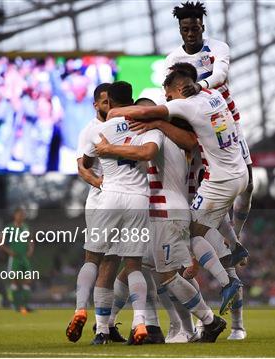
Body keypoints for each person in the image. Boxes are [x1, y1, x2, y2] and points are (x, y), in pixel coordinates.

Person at [107, 64, 246, 318]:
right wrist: (201, 85)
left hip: (192, 198)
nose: (167, 98)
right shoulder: (210, 96)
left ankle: (218, 300)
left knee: (174, 259)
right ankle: (232, 254)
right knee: (152, 267)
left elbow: (151, 116)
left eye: (168, 94)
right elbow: (215, 83)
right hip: (234, 175)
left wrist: (116, 114)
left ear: (178, 88)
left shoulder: (177, 118)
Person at [96, 98, 227, 343]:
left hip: (165, 214)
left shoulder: (156, 134)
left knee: (168, 276)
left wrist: (108, 149)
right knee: (133, 269)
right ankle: (109, 322)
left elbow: (144, 153)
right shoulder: (175, 138)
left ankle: (209, 321)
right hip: (166, 213)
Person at [67, 81, 162, 345]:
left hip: (108, 197)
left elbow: (85, 164)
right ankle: (140, 322)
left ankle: (81, 310)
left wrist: (106, 151)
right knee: (133, 266)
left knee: (93, 259)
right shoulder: (146, 127)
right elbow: (148, 153)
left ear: (111, 103)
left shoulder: (100, 131)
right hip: (138, 199)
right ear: (131, 100)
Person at [166, 1, 253, 266]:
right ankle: (227, 248)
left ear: (202, 26)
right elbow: (170, 92)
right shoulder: (172, 59)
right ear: (180, 30)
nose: (190, 33)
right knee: (209, 184)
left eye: (194, 28)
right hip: (199, 129)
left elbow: (221, 74)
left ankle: (235, 236)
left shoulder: (217, 47)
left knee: (248, 185)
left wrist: (199, 85)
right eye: (185, 29)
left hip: (226, 122)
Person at [67, 82, 126, 344]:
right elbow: (83, 167)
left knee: (108, 261)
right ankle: (96, 320)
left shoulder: (122, 124)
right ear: (95, 105)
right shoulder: (90, 131)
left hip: (120, 201)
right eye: (104, 101)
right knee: (102, 259)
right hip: (102, 200)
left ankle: (101, 321)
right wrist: (99, 182)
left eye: (111, 100)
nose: (108, 105)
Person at [0, 207, 34, 314]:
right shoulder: (9, 227)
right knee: (15, 282)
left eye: (22, 214)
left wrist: (31, 249)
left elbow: (31, 239)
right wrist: (9, 251)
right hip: (14, 258)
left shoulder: (25, 227)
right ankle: (15, 306)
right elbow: (0, 241)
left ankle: (25, 305)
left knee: (27, 282)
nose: (21, 216)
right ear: (15, 215)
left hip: (24, 258)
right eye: (19, 214)